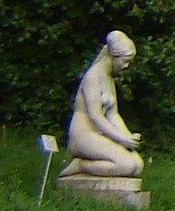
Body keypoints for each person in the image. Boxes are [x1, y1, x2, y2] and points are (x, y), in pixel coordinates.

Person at [59, 30, 144, 180]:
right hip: (83, 135)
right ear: (113, 56)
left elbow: (113, 114)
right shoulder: (92, 77)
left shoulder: (108, 78)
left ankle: (88, 164)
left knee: (137, 165)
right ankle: (81, 166)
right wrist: (121, 139)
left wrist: (127, 137)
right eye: (125, 61)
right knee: (127, 165)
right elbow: (95, 116)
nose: (126, 66)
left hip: (99, 134)